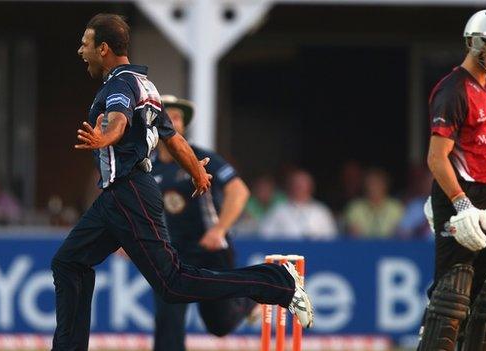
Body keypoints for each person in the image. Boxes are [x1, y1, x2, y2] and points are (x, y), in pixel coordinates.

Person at [51, 13, 313, 351]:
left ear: (103, 49)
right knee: (68, 262)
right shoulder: (146, 85)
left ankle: (278, 283)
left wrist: (106, 138)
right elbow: (173, 139)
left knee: (173, 284)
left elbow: (117, 119)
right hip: (117, 197)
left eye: (85, 44)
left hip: (128, 192)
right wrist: (197, 171)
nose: (80, 50)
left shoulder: (118, 85)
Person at [418, 9, 486, 351]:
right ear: (476, 43)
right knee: (452, 296)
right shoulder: (453, 91)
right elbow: (436, 158)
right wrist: (458, 203)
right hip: (463, 195)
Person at [150, 95, 256, 351]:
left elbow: (239, 191)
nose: (171, 122)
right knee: (168, 321)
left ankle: (251, 298)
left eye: (176, 117)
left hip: (209, 249)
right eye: (165, 116)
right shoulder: (147, 165)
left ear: (184, 125)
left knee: (219, 325)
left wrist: (219, 230)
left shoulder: (199, 157)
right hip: (173, 255)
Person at [259, 169, 337, 240]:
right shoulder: (278, 211)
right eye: (296, 184)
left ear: (310, 187)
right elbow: (265, 235)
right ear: (290, 186)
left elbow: (331, 237)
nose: (299, 188)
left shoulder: (321, 211)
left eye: (302, 185)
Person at [343, 168, 404, 238]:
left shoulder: (396, 208)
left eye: (377, 183)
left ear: (385, 186)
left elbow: (401, 233)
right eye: (370, 184)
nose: (374, 187)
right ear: (365, 186)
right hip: (362, 248)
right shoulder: (355, 208)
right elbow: (353, 234)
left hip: (391, 248)